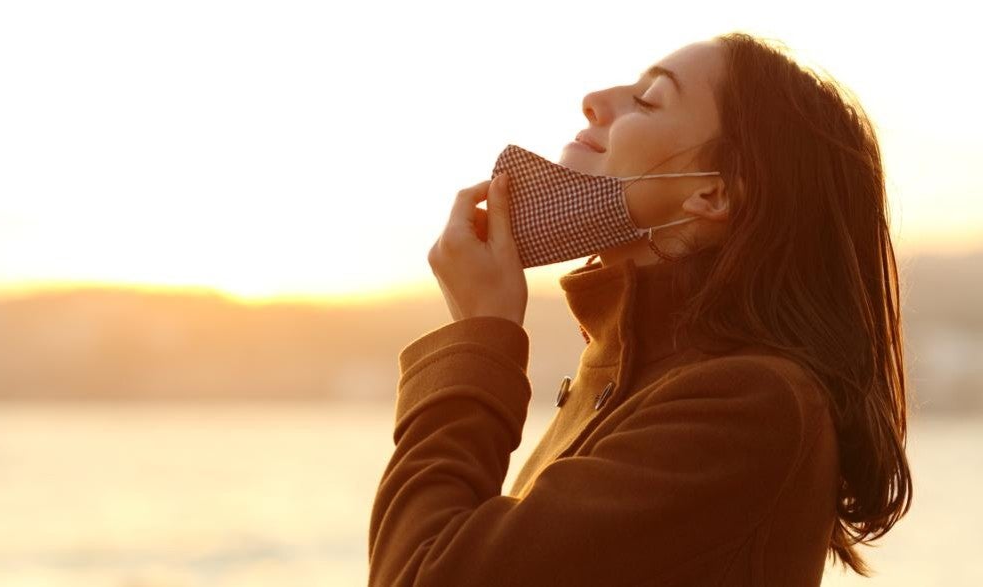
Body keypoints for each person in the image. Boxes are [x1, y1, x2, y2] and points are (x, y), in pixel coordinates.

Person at [368, 33, 912, 586]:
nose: (596, 98)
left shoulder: (747, 403)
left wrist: (481, 334)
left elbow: (419, 576)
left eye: (649, 99)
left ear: (714, 194)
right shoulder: (627, 371)